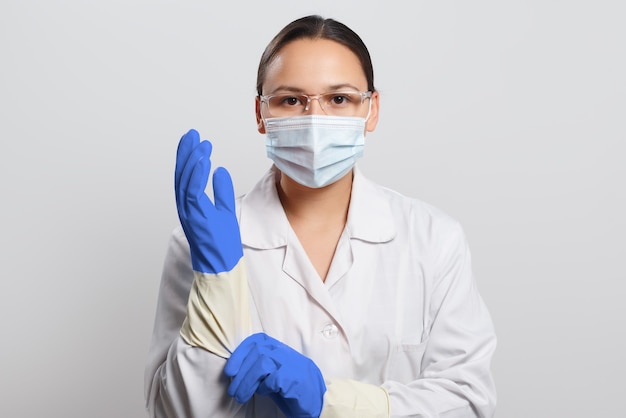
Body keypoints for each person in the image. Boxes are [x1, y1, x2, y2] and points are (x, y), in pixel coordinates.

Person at [144, 15, 497, 418]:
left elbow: (468, 403)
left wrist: (329, 402)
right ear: (261, 114)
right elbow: (175, 412)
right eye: (291, 100)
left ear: (372, 109)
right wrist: (216, 283)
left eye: (339, 99)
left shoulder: (433, 240)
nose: (315, 119)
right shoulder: (203, 243)